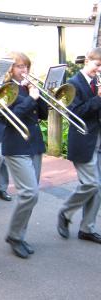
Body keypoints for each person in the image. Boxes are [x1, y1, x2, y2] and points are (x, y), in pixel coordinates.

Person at [2, 51, 48, 259]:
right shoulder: (7, 89)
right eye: (20, 67)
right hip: (16, 145)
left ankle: (19, 235)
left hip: (34, 144)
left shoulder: (27, 87)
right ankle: (14, 235)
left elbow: (44, 115)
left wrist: (39, 95)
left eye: (26, 66)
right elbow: (11, 116)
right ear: (10, 69)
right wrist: (30, 98)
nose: (25, 70)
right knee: (30, 193)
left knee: (31, 194)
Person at [57, 47, 101, 244]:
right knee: (92, 184)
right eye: (97, 65)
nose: (99, 70)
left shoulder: (97, 83)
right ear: (87, 61)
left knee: (98, 188)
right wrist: (99, 98)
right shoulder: (73, 84)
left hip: (98, 140)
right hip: (83, 140)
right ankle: (66, 211)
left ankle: (87, 229)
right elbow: (76, 113)